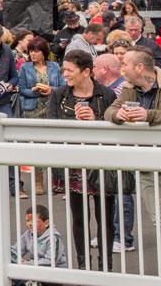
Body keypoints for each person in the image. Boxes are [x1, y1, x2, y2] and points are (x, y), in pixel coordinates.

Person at [104, 49, 161, 278]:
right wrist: (118, 115)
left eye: (125, 64)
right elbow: (109, 111)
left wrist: (148, 115)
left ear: (140, 67)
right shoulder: (128, 89)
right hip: (145, 166)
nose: (122, 69)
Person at [46, 50, 123, 271]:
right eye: (64, 69)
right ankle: (83, 265)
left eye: (70, 70)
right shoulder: (59, 95)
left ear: (86, 71)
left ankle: (106, 267)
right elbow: (50, 127)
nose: (65, 74)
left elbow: (116, 128)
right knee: (79, 218)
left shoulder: (107, 95)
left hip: (101, 163)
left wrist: (96, 120)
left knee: (105, 217)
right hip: (73, 163)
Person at [10, 205, 70, 283]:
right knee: (10, 266)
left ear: (46, 223)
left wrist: (27, 263)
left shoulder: (53, 238)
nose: (29, 224)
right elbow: (13, 250)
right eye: (28, 220)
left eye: (34, 221)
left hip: (54, 274)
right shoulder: (28, 234)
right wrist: (18, 260)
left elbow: (50, 262)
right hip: (35, 269)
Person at [13, 37, 64, 119]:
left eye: (36, 51)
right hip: (31, 110)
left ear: (44, 52)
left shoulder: (55, 66)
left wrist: (51, 90)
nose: (33, 54)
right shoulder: (24, 67)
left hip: (52, 108)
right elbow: (22, 89)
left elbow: (63, 87)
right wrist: (36, 91)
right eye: (31, 51)